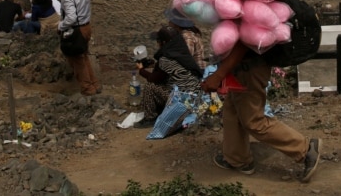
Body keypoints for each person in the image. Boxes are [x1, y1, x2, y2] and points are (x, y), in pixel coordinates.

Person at [201, 42, 321, 182]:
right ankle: (237, 159)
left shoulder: (244, 20)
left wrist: (219, 75)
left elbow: (243, 42)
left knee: (253, 121)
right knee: (232, 111)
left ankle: (305, 149)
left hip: (249, 67)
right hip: (241, 66)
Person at [136, 24, 205, 126]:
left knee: (150, 87)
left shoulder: (166, 59)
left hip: (184, 102)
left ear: (164, 42)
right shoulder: (182, 52)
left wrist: (141, 70)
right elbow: (172, 70)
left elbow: (153, 78)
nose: (157, 44)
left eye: (158, 41)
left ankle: (150, 118)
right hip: (195, 97)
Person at [57, 0, 101, 95]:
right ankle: (95, 84)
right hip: (87, 27)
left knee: (77, 61)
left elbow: (71, 18)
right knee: (84, 57)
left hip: (76, 30)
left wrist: (60, 25)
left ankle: (87, 89)